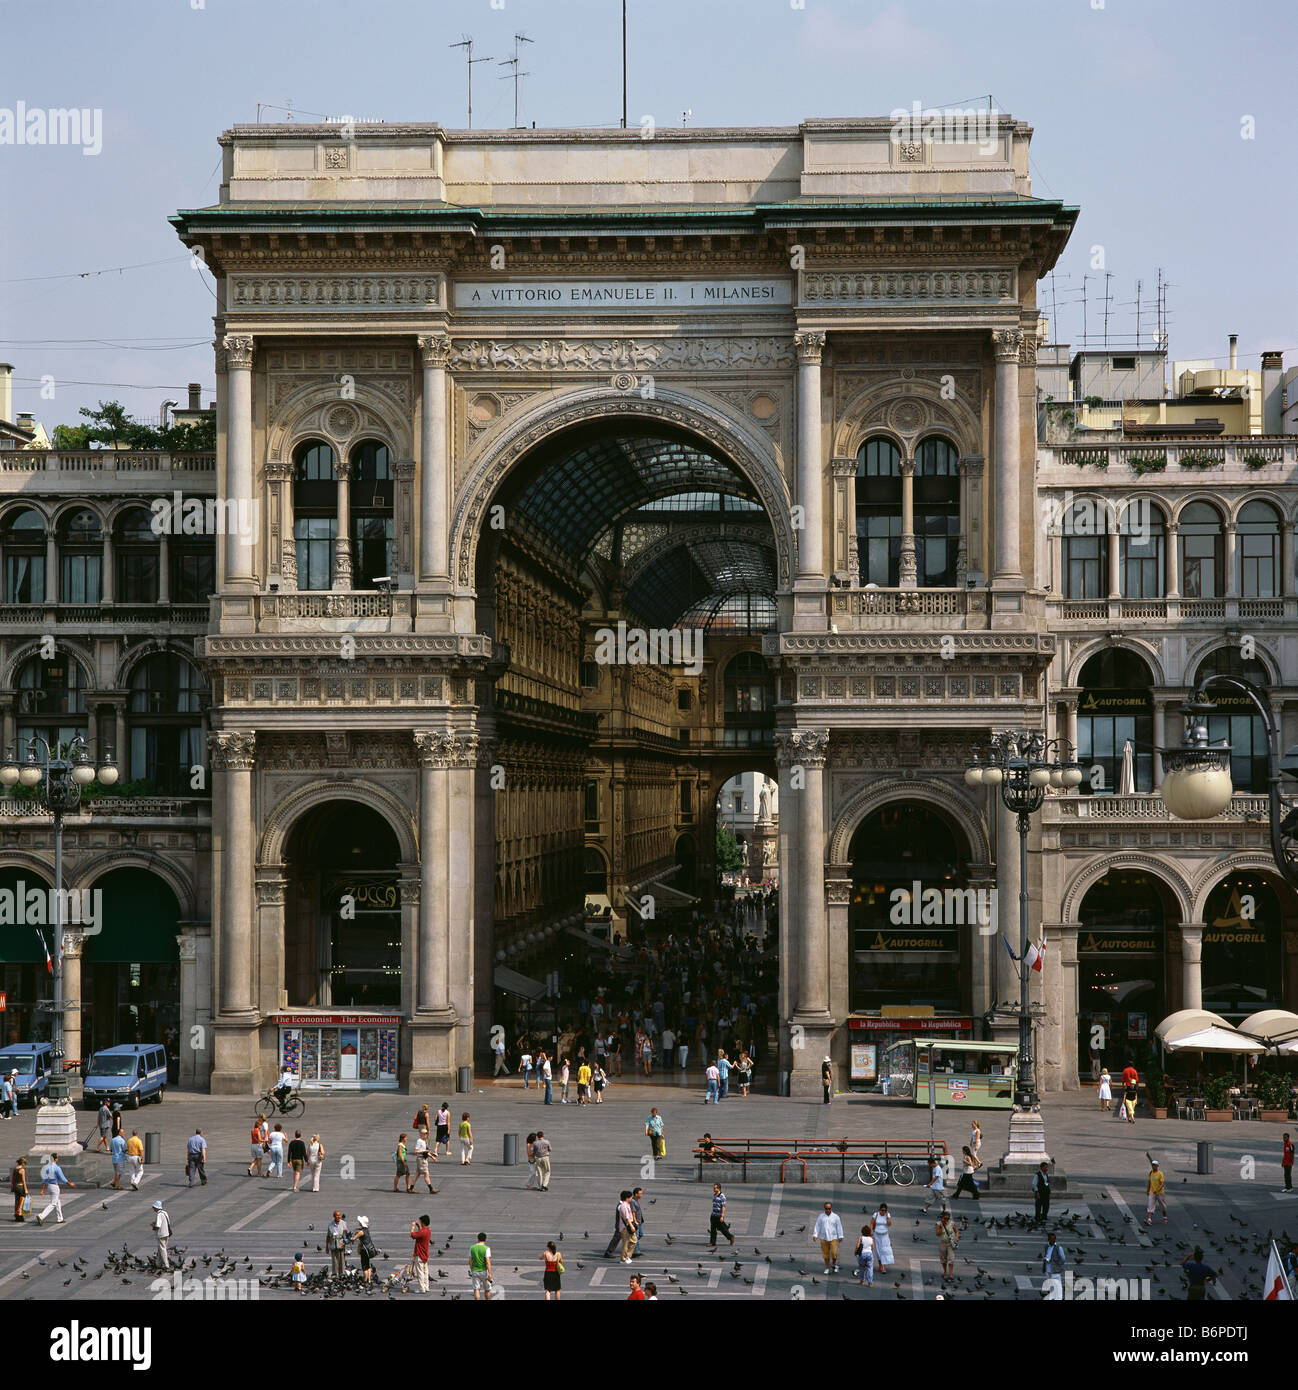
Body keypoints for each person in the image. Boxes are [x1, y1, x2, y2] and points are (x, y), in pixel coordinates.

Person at [35, 1153, 72, 1225]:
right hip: (55, 1186)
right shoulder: (57, 1168)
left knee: (57, 1202)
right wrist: (70, 1184)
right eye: (57, 1158)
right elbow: (62, 1178)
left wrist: (43, 1190)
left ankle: (60, 1218)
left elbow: (44, 1179)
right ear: (55, 1159)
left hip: (49, 1186)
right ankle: (41, 1216)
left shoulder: (46, 1167)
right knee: (53, 1204)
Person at [814, 1200, 844, 1274]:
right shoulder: (821, 1216)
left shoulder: (836, 1217)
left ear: (831, 1208)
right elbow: (817, 1226)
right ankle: (827, 1267)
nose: (828, 1210)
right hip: (823, 1238)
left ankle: (833, 1264)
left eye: (829, 1208)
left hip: (833, 1238)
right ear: (824, 1209)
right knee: (825, 1254)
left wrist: (840, 1236)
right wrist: (815, 1235)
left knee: (834, 1253)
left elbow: (839, 1226)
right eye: (826, 1209)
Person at [405, 1214, 430, 1292]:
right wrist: (418, 1227)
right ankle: (426, 1287)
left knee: (420, 1272)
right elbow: (420, 1234)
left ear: (422, 1222)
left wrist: (413, 1226)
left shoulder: (422, 1232)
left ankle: (422, 1289)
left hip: (419, 1254)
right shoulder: (428, 1231)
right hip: (425, 1254)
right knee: (425, 1272)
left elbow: (412, 1235)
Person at [708, 1182, 734, 1248]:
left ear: (718, 1188)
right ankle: (712, 1242)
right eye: (713, 1188)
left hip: (719, 1216)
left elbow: (723, 1207)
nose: (713, 1189)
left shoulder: (722, 1196)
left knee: (723, 1229)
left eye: (715, 1188)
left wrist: (722, 1216)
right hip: (713, 1215)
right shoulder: (714, 1195)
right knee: (713, 1229)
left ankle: (730, 1237)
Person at [935, 1210, 959, 1281]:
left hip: (950, 1243)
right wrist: (942, 1226)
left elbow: (956, 1231)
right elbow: (937, 1234)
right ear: (942, 1218)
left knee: (951, 1259)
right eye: (945, 1218)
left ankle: (950, 1274)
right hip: (942, 1243)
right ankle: (945, 1271)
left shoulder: (952, 1223)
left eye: (948, 1218)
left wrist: (957, 1237)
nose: (946, 1220)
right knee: (943, 1259)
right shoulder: (938, 1224)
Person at [870, 1204, 894, 1274]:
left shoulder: (887, 1215)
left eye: (885, 1210)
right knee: (878, 1250)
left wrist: (887, 1217)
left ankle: (883, 1267)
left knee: (884, 1250)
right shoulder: (875, 1215)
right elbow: (871, 1224)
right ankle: (880, 1265)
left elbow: (889, 1224)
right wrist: (871, 1234)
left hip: (885, 1236)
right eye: (882, 1210)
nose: (883, 1212)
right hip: (877, 1235)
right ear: (879, 1209)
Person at [353, 1215, 377, 1284]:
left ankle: (365, 1280)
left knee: (364, 1266)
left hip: (364, 1250)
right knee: (368, 1265)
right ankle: (369, 1280)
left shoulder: (361, 1231)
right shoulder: (367, 1230)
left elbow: (354, 1238)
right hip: (369, 1250)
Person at [326, 1210, 350, 1277]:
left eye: (339, 1215)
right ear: (334, 1216)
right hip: (333, 1243)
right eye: (337, 1215)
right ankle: (334, 1274)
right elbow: (328, 1236)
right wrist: (327, 1247)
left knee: (342, 1260)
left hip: (341, 1243)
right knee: (334, 1260)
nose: (338, 1216)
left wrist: (345, 1243)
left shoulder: (343, 1223)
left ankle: (342, 1274)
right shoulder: (330, 1224)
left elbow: (346, 1235)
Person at [469, 1231, 492, 1300]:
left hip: (475, 1271)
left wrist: (472, 1269)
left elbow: (470, 1261)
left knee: (476, 1289)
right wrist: (490, 1274)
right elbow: (487, 1262)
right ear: (485, 1239)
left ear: (477, 1238)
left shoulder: (472, 1248)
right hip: (484, 1271)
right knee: (487, 1289)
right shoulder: (486, 1248)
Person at [617, 1190, 638, 1262]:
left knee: (634, 1241)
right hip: (625, 1227)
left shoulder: (627, 1205)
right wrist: (632, 1226)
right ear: (627, 1198)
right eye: (631, 1197)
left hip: (628, 1226)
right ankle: (623, 1259)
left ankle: (627, 1256)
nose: (631, 1199)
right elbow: (627, 1218)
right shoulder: (623, 1206)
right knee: (625, 1244)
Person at [1042, 1233, 1066, 1298]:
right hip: (1048, 1270)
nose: (1053, 1240)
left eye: (1054, 1239)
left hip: (1055, 1271)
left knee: (1058, 1288)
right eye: (1051, 1239)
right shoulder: (1046, 1246)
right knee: (1051, 1287)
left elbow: (1063, 1259)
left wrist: (1057, 1265)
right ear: (1048, 1239)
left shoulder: (1058, 1248)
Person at [1145, 1158, 1167, 1224]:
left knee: (1163, 1206)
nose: (1153, 1166)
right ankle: (1149, 1219)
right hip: (1152, 1192)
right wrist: (1148, 1190)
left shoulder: (1160, 1174)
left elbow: (1162, 1183)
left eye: (1154, 1165)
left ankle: (1164, 1217)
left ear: (1157, 1166)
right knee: (1150, 1205)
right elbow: (1149, 1182)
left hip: (1160, 1193)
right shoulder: (1150, 1173)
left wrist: (1157, 1190)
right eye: (1152, 1165)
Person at [151, 1198, 170, 1269]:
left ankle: (166, 1265)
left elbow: (158, 1226)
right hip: (167, 1233)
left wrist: (153, 1226)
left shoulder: (159, 1215)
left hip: (161, 1234)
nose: (153, 1209)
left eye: (154, 1208)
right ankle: (158, 1263)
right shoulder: (165, 1213)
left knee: (162, 1249)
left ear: (156, 1208)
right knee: (160, 1249)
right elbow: (168, 1223)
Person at [248, 1113, 268, 1177]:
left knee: (256, 1159)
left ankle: (250, 1168)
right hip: (258, 1146)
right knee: (259, 1160)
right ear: (258, 1125)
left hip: (253, 1145)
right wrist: (266, 1140)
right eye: (260, 1125)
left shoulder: (252, 1130)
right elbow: (259, 1139)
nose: (261, 1126)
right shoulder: (258, 1131)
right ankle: (259, 1173)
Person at [10, 1155, 28, 1222]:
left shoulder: (15, 1169)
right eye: (24, 1163)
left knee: (17, 1201)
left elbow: (13, 1179)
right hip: (20, 1186)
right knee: (22, 1201)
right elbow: (23, 1181)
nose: (25, 1165)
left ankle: (17, 1215)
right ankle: (21, 1216)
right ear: (22, 1163)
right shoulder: (22, 1170)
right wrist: (26, 1189)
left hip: (15, 1186)